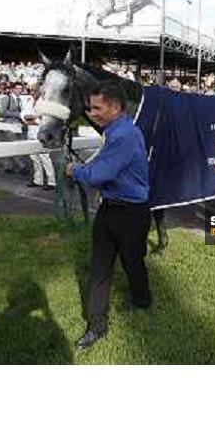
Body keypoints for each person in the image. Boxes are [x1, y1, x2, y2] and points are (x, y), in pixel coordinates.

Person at [65, 81, 151, 350]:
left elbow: (99, 173)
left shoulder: (125, 135)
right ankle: (96, 325)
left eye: (96, 108)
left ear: (115, 107)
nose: (90, 113)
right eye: (89, 108)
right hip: (110, 209)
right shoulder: (116, 131)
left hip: (131, 214)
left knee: (132, 263)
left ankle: (141, 300)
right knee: (100, 268)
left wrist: (74, 171)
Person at [21, 83, 56, 190]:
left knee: (45, 158)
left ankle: (52, 182)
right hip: (31, 133)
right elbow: (23, 114)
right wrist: (29, 119)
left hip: (42, 133)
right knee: (34, 158)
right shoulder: (29, 101)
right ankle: (38, 180)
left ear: (41, 91)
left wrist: (34, 120)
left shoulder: (46, 102)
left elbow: (48, 119)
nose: (33, 92)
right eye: (31, 90)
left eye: (35, 90)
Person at [0, 81, 26, 173]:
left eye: (21, 89)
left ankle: (8, 166)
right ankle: (21, 165)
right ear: (13, 89)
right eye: (17, 89)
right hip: (8, 125)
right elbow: (3, 112)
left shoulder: (20, 100)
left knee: (12, 145)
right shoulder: (6, 98)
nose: (19, 90)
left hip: (18, 126)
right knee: (15, 144)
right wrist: (18, 114)